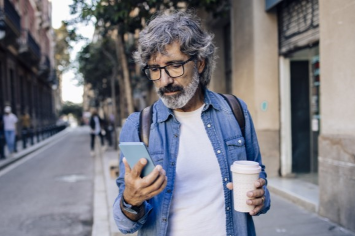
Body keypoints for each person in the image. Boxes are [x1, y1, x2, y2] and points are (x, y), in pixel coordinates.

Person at [113, 11, 270, 236]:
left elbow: (259, 176)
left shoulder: (234, 112)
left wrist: (261, 198)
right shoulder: (138, 127)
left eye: (174, 65)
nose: (165, 80)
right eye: (155, 70)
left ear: (200, 64)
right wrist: (130, 201)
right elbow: (125, 224)